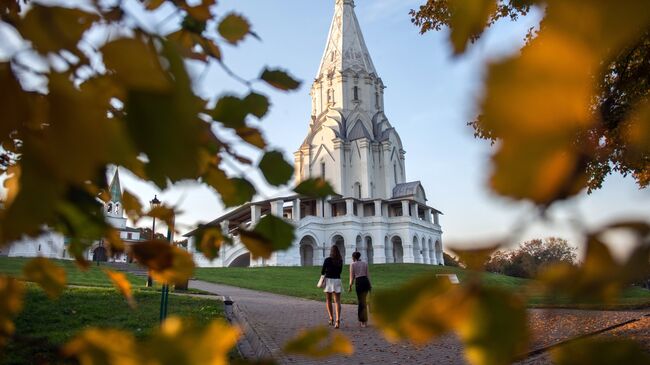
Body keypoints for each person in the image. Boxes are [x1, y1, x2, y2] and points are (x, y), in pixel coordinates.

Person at [321, 245, 343, 328]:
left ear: (331, 251)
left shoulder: (327, 260)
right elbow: (340, 271)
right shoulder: (340, 260)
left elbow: (322, 271)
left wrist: (327, 271)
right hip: (337, 280)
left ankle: (331, 318)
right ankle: (338, 320)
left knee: (328, 300)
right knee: (337, 301)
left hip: (329, 280)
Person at [348, 251, 371, 327]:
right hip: (365, 281)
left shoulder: (352, 264)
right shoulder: (365, 263)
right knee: (363, 301)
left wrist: (350, 286)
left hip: (359, 282)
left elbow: (351, 277)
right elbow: (368, 275)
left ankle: (362, 321)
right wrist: (370, 285)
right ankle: (365, 320)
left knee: (361, 302)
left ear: (353, 257)